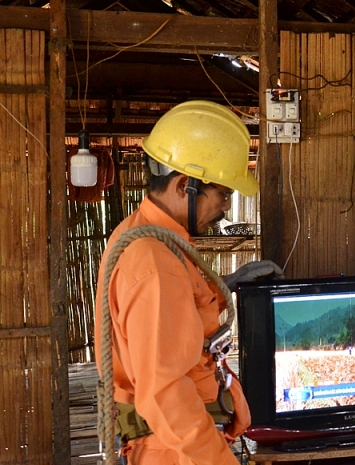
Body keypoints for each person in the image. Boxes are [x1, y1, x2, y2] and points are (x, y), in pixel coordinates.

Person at [94, 100, 283, 465]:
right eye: (223, 194)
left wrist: (226, 283)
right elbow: (165, 391)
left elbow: (172, 314)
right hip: (177, 451)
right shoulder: (154, 261)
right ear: (185, 186)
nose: (226, 207)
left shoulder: (147, 237)